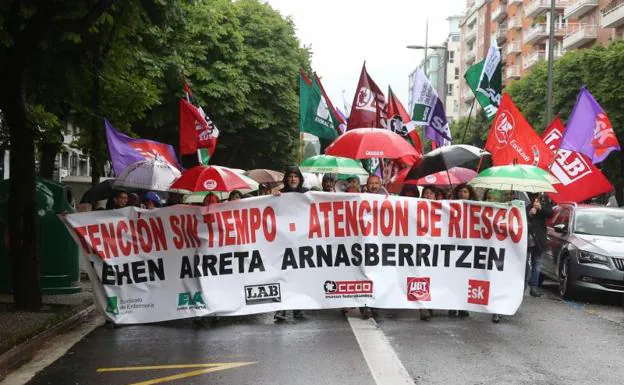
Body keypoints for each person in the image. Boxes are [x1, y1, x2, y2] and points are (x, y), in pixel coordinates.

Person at [274, 166, 308, 322]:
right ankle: (281, 309)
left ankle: (297, 308)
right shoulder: (280, 195)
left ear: (300, 178)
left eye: (296, 176)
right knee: (283, 274)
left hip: (301, 241)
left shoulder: (307, 194)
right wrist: (271, 197)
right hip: (283, 241)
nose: (293, 179)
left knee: (299, 275)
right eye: (290, 176)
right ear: (286, 178)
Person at [527, 193, 553, 298]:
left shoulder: (545, 200)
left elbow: (550, 213)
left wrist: (540, 208)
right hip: (527, 235)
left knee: (536, 262)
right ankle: (523, 285)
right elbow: (521, 213)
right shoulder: (527, 197)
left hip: (539, 237)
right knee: (524, 262)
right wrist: (530, 213)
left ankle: (534, 287)